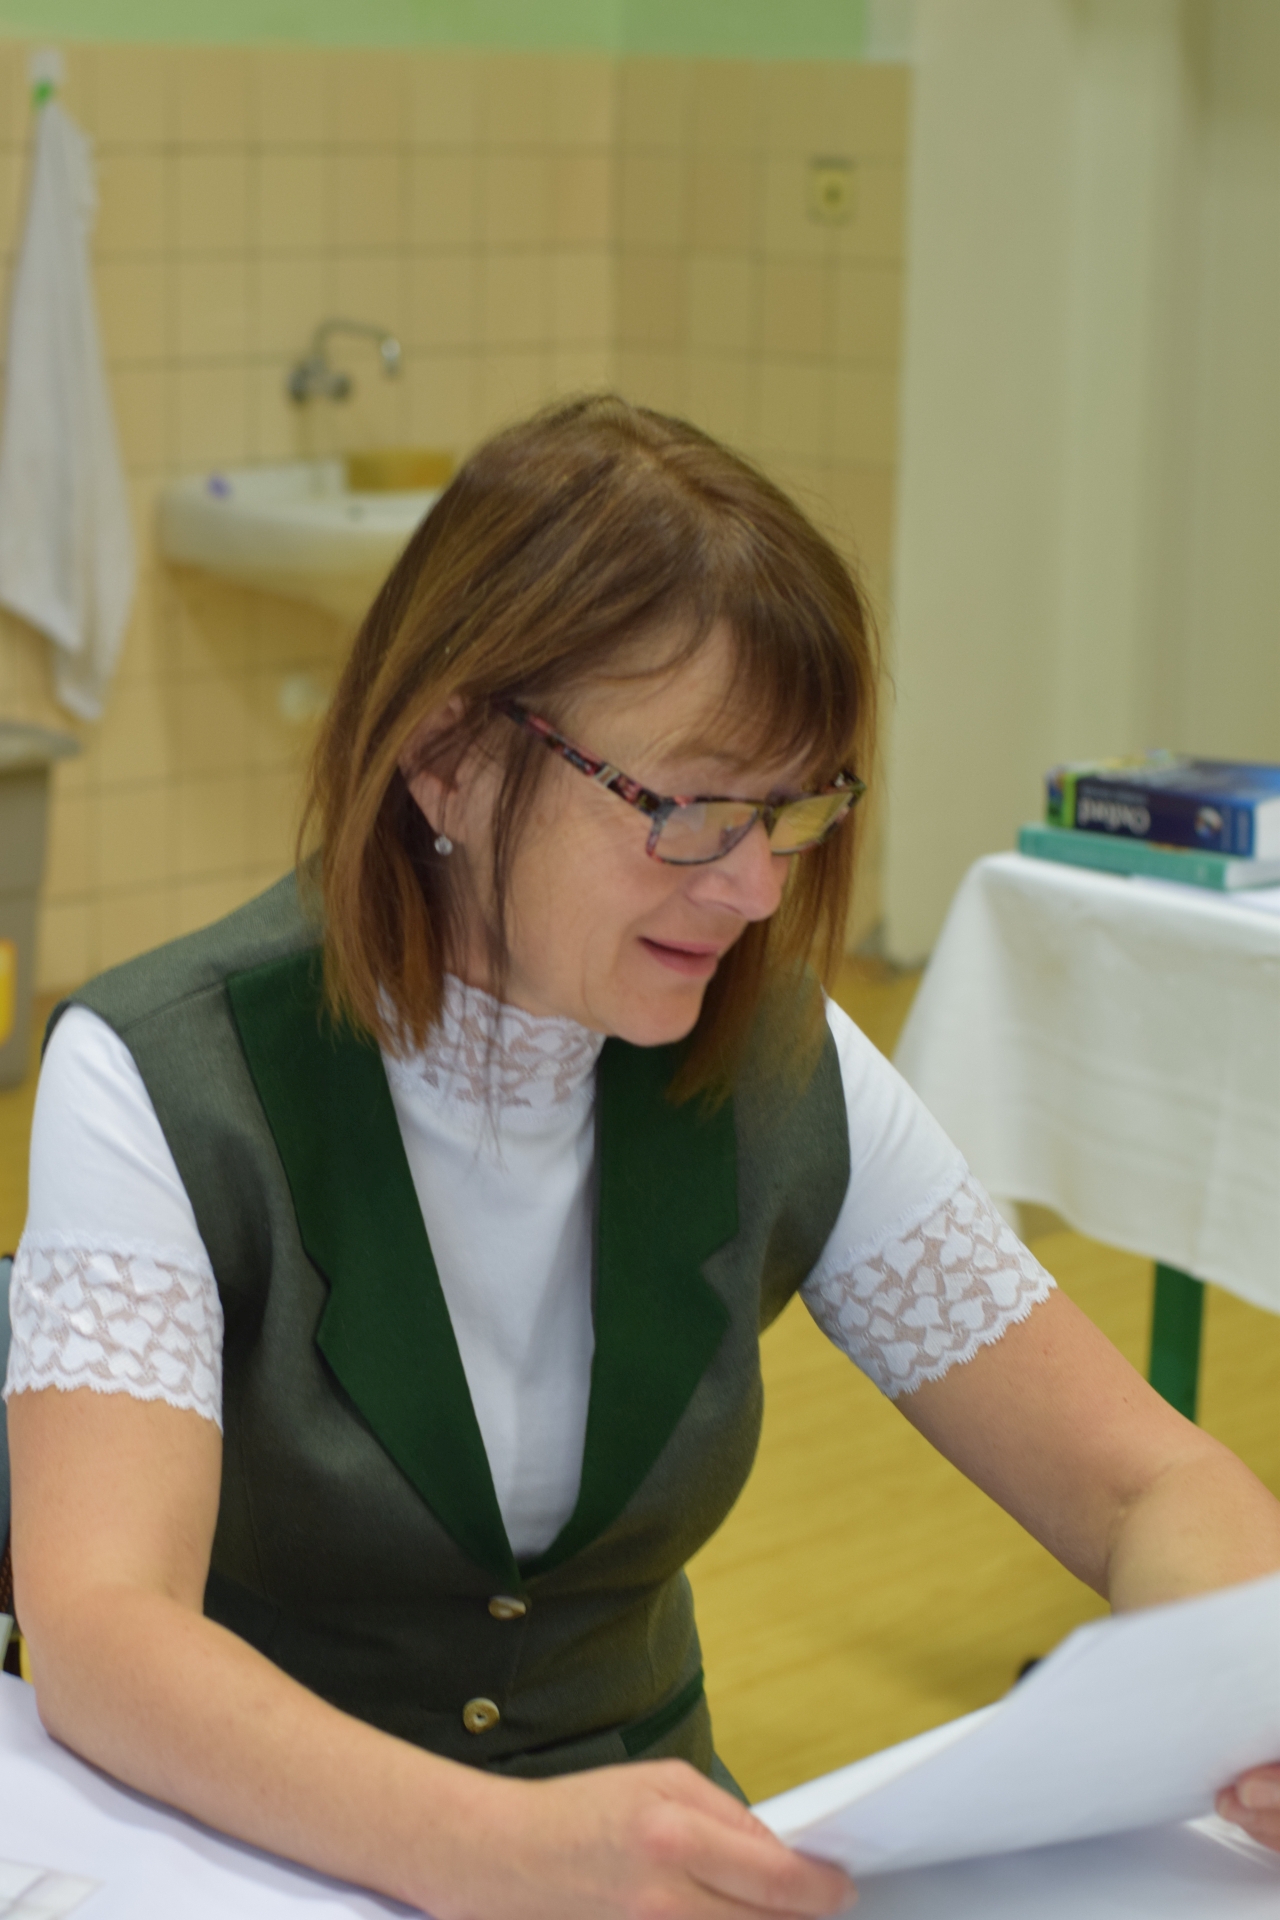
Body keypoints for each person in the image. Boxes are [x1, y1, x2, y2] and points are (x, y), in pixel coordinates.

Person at [7, 396, 1280, 1918]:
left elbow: (1147, 1486)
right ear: (447, 756)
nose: (755, 889)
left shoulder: (778, 1063)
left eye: (792, 811)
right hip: (249, 1857)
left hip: (650, 1874)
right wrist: (495, 1850)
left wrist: (1240, 1683)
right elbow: (104, 1630)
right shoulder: (160, 1072)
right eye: (691, 809)